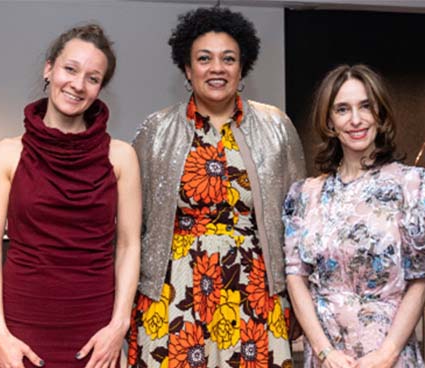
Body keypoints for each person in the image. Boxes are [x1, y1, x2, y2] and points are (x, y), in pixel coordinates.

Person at [128, 7, 306, 368]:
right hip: (173, 285)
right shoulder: (155, 130)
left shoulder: (277, 127)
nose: (217, 68)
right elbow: (134, 226)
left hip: (255, 286)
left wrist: (298, 300)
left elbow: (298, 221)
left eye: (229, 59)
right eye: (204, 58)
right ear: (187, 68)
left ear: (242, 69)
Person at [0, 23, 141, 368]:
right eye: (70, 69)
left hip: (96, 327)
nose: (78, 85)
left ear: (100, 88)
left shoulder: (121, 157)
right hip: (21, 323)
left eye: (93, 78)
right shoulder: (6, 154)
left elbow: (128, 246)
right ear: (49, 69)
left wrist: (118, 327)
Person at [282, 64, 425, 368]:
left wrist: (387, 353)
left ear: (380, 113)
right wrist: (324, 352)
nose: (356, 119)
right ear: (329, 120)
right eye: (342, 109)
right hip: (327, 356)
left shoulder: (410, 185)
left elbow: (422, 278)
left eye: (366, 106)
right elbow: (295, 277)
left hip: (388, 355)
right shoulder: (305, 194)